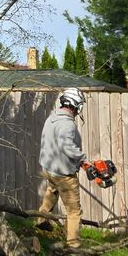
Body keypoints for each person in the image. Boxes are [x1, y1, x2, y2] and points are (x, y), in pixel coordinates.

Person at [37, 86, 89, 247]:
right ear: (76, 105)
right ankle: (73, 247)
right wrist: (84, 160)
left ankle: (41, 221)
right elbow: (67, 147)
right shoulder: (67, 125)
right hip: (64, 174)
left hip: (49, 169)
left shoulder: (52, 118)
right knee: (74, 211)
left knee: (51, 193)